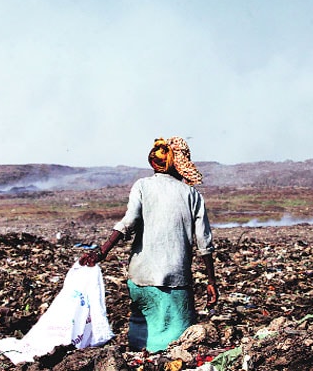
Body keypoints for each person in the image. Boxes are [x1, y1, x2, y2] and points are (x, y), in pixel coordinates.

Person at [80, 136, 218, 352]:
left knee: (140, 337)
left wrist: (101, 252)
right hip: (176, 280)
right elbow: (204, 242)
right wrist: (211, 281)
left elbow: (129, 221)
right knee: (175, 343)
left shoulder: (142, 186)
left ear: (154, 163)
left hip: (141, 277)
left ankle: (138, 368)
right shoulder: (192, 195)